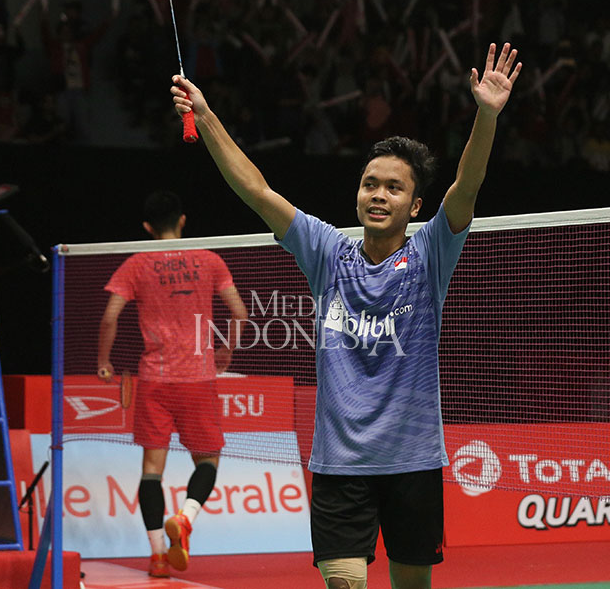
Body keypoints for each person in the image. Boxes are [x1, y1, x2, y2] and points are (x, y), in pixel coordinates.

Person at [169, 42, 521, 589]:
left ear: (415, 206)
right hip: (340, 464)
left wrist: (487, 116)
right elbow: (257, 190)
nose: (378, 195)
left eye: (394, 188)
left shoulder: (429, 255)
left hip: (412, 460)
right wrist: (207, 115)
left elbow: (466, 186)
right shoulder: (328, 252)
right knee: (344, 584)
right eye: (370, 184)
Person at [96, 190, 248, 578]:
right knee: (208, 461)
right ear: (182, 220)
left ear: (147, 227)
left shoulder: (136, 263)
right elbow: (239, 312)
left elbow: (110, 317)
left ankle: (158, 557)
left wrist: (103, 361)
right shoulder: (209, 259)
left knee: (151, 470)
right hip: (199, 378)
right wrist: (226, 350)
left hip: (155, 380)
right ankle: (185, 517)